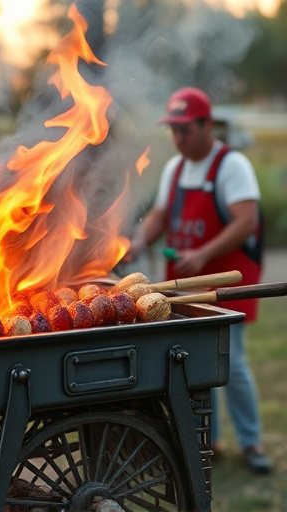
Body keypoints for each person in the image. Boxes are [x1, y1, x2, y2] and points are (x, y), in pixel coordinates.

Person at [124, 87, 272, 475]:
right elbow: (159, 215)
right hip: (185, 281)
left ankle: (252, 441)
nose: (178, 138)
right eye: (173, 130)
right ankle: (211, 441)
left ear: (207, 125)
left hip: (229, 279)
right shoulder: (176, 168)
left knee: (233, 362)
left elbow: (246, 221)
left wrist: (205, 253)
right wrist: (139, 241)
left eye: (185, 129)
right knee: (197, 363)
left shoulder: (231, 165)